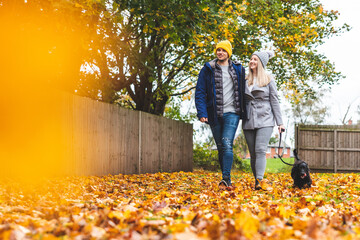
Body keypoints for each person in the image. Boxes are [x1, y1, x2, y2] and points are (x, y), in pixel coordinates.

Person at [195, 40, 246, 188]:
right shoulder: (208, 69)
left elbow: (245, 88)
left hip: (232, 112)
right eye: (218, 50)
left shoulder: (238, 68)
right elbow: (200, 92)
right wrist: (202, 112)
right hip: (214, 113)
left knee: (226, 143)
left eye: (223, 50)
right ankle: (225, 177)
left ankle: (226, 178)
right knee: (220, 146)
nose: (220, 53)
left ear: (228, 53)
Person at [242, 50, 285, 191]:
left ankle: (260, 180)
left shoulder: (268, 80)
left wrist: (280, 123)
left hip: (265, 118)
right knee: (253, 153)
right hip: (249, 118)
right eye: (251, 59)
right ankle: (257, 181)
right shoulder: (245, 79)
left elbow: (275, 101)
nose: (252, 62)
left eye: (255, 59)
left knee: (260, 150)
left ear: (261, 63)